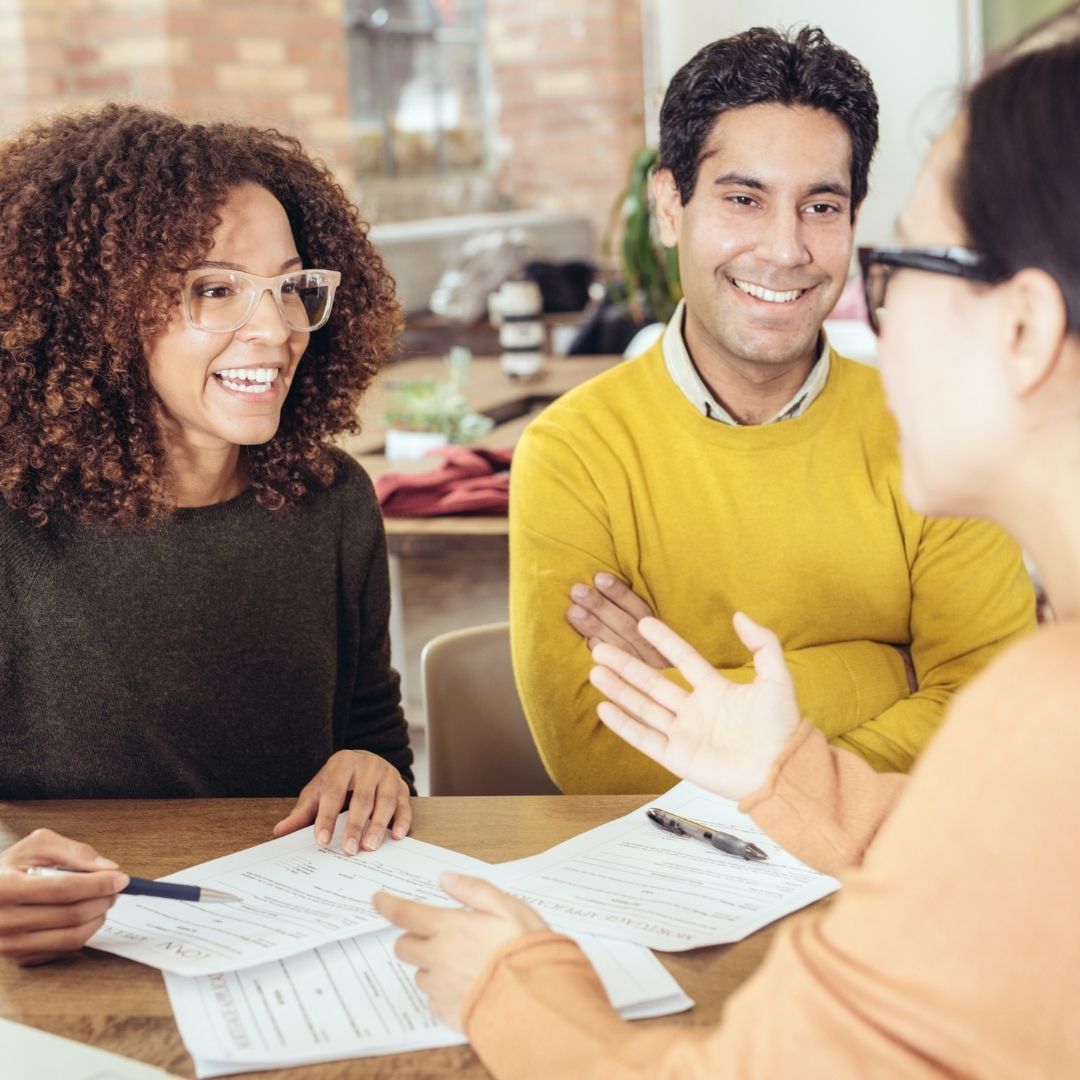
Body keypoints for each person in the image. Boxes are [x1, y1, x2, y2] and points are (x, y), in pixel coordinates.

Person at [376, 37, 1080, 1075]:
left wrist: (513, 985)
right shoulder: (1044, 704)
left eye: (895, 262)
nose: (804, 260)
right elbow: (976, 836)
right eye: (744, 199)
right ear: (671, 207)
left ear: (1024, 325)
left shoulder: (1043, 712)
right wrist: (802, 746)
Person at [509, 26, 1036, 793]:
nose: (786, 249)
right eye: (744, 199)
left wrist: (705, 705)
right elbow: (598, 759)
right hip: (665, 887)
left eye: (821, 205)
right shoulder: (575, 452)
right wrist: (886, 669)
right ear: (668, 206)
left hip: (889, 875)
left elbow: (986, 709)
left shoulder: (933, 427)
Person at [0, 104, 413, 965]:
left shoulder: (333, 501)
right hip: (72, 958)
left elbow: (371, 736)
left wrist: (370, 774)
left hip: (289, 944)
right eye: (215, 288)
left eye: (291, 286)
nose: (275, 329)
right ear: (98, 312)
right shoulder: (14, 521)